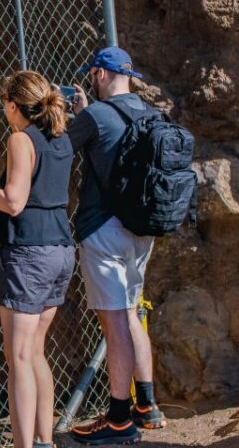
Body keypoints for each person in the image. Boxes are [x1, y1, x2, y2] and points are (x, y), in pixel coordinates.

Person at [0, 70, 75, 448]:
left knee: (19, 360)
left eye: (4, 106)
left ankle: (24, 445)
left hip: (30, 252)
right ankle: (45, 440)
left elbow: (14, 201)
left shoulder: (20, 140)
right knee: (36, 352)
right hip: (61, 249)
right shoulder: (62, 139)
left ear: (13, 106)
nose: (4, 112)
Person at [67, 46, 166, 446]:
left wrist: (76, 117)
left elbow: (59, 149)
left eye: (93, 74)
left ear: (100, 75)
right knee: (132, 310)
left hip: (103, 230)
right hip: (142, 230)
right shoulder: (151, 114)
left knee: (115, 321)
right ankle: (148, 404)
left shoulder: (95, 116)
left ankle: (119, 419)